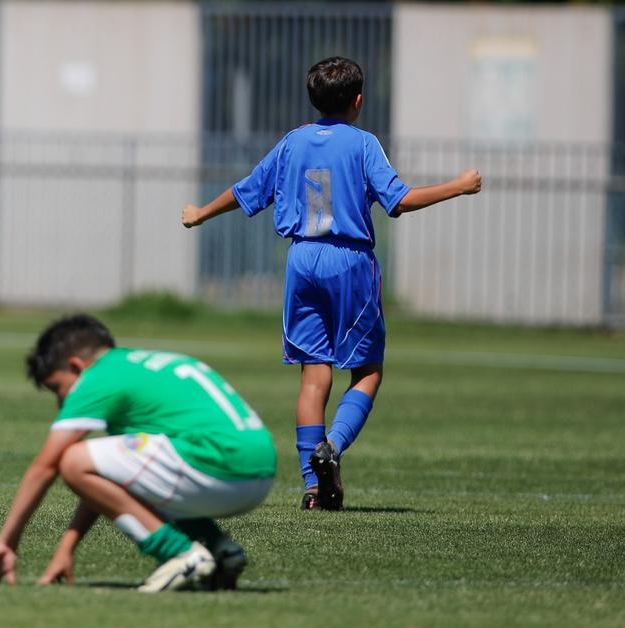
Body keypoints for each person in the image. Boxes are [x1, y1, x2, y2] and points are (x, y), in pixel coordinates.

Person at [180, 56, 482, 510]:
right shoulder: (362, 144)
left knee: (313, 375)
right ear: (358, 101)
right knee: (368, 370)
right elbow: (399, 201)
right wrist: (458, 186)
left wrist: (201, 212)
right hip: (349, 262)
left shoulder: (292, 143)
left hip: (301, 260)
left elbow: (247, 190)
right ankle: (333, 447)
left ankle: (312, 487)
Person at [0, 314, 276, 592]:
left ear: (76, 367)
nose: (61, 403)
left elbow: (47, 466)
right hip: (258, 470)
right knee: (94, 462)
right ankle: (220, 549)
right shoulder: (140, 364)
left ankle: (182, 555)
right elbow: (111, 479)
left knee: (72, 459)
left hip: (218, 465)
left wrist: (6, 542)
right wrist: (65, 549)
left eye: (58, 389)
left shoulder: (99, 377)